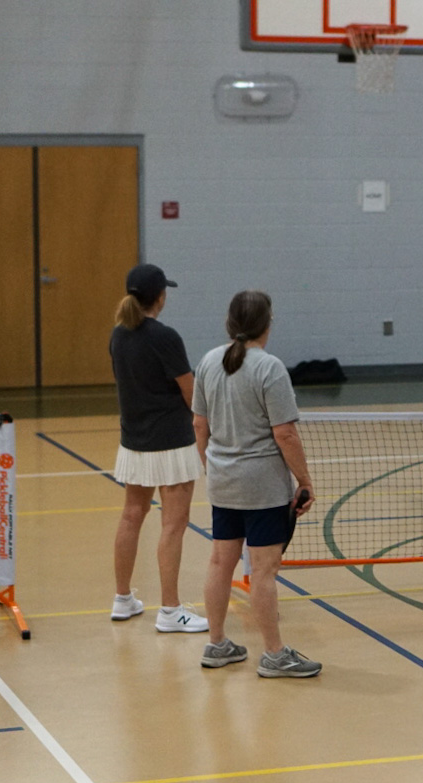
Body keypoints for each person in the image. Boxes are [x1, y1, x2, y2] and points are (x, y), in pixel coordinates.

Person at [193, 290, 322, 677]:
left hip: (223, 482)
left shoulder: (208, 362)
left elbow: (199, 424)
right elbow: (285, 434)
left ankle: (217, 644)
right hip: (262, 487)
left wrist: (212, 466)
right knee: (264, 570)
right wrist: (304, 480)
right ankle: (274, 654)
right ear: (267, 324)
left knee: (220, 562)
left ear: (230, 323)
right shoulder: (270, 368)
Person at [108, 263, 209, 633]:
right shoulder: (165, 337)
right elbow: (191, 394)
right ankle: (170, 611)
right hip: (171, 443)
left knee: (131, 515)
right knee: (173, 525)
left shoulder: (118, 335)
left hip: (133, 441)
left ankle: (122, 599)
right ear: (160, 297)